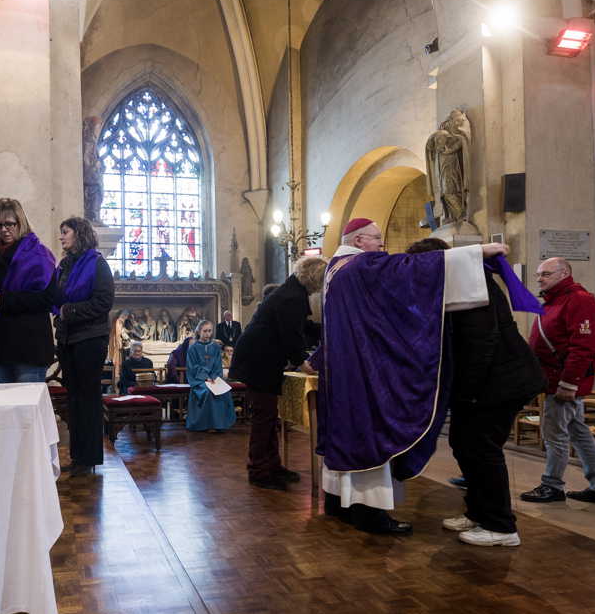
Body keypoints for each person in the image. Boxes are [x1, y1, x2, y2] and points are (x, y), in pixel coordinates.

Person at [310, 218, 508, 535]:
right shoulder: (361, 266)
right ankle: (370, 513)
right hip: (362, 375)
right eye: (376, 238)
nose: (381, 245)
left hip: (344, 375)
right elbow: (409, 269)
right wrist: (476, 252)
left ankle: (340, 504)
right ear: (359, 240)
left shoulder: (336, 268)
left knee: (348, 434)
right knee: (370, 435)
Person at [404, 238, 545, 547]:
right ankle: (479, 512)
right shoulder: (461, 281)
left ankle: (501, 526)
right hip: (487, 382)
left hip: (499, 382)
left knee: (482, 448)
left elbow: (481, 343)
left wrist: (468, 393)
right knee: (464, 443)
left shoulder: (472, 283)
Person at [520, 257, 595, 506]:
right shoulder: (553, 302)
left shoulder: (579, 300)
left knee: (554, 434)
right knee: (579, 433)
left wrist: (569, 383)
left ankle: (552, 485)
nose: (539, 278)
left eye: (545, 273)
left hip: (563, 382)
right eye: (538, 274)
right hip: (553, 379)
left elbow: (584, 347)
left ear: (564, 273)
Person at [25, 217, 114, 475]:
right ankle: (78, 457)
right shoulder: (64, 266)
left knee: (88, 399)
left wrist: (69, 311)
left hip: (90, 340)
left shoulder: (98, 264)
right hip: (67, 340)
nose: (61, 237)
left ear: (80, 234)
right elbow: (50, 295)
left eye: (65, 232)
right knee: (74, 400)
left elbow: (103, 302)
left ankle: (89, 458)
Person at [230, 256, 326, 490]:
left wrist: (329, 329)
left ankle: (272, 466)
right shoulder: (292, 296)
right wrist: (301, 361)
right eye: (322, 278)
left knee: (270, 417)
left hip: (261, 360)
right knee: (264, 418)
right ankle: (259, 470)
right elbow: (290, 335)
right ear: (313, 276)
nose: (323, 283)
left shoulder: (292, 292)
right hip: (258, 361)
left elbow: (302, 327)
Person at [0, 197, 56, 383]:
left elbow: (47, 298)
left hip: (30, 343)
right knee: (6, 406)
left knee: (27, 407)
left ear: (21, 223)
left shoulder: (39, 255)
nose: (4, 229)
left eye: (9, 224)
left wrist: (6, 301)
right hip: (2, 343)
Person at [186, 320, 236, 432]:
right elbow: (192, 367)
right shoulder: (193, 348)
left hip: (214, 378)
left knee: (224, 392)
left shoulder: (215, 347)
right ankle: (207, 425)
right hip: (198, 380)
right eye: (205, 331)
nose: (208, 334)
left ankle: (221, 424)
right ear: (199, 331)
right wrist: (205, 377)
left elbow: (218, 365)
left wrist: (214, 378)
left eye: (209, 331)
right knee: (207, 392)